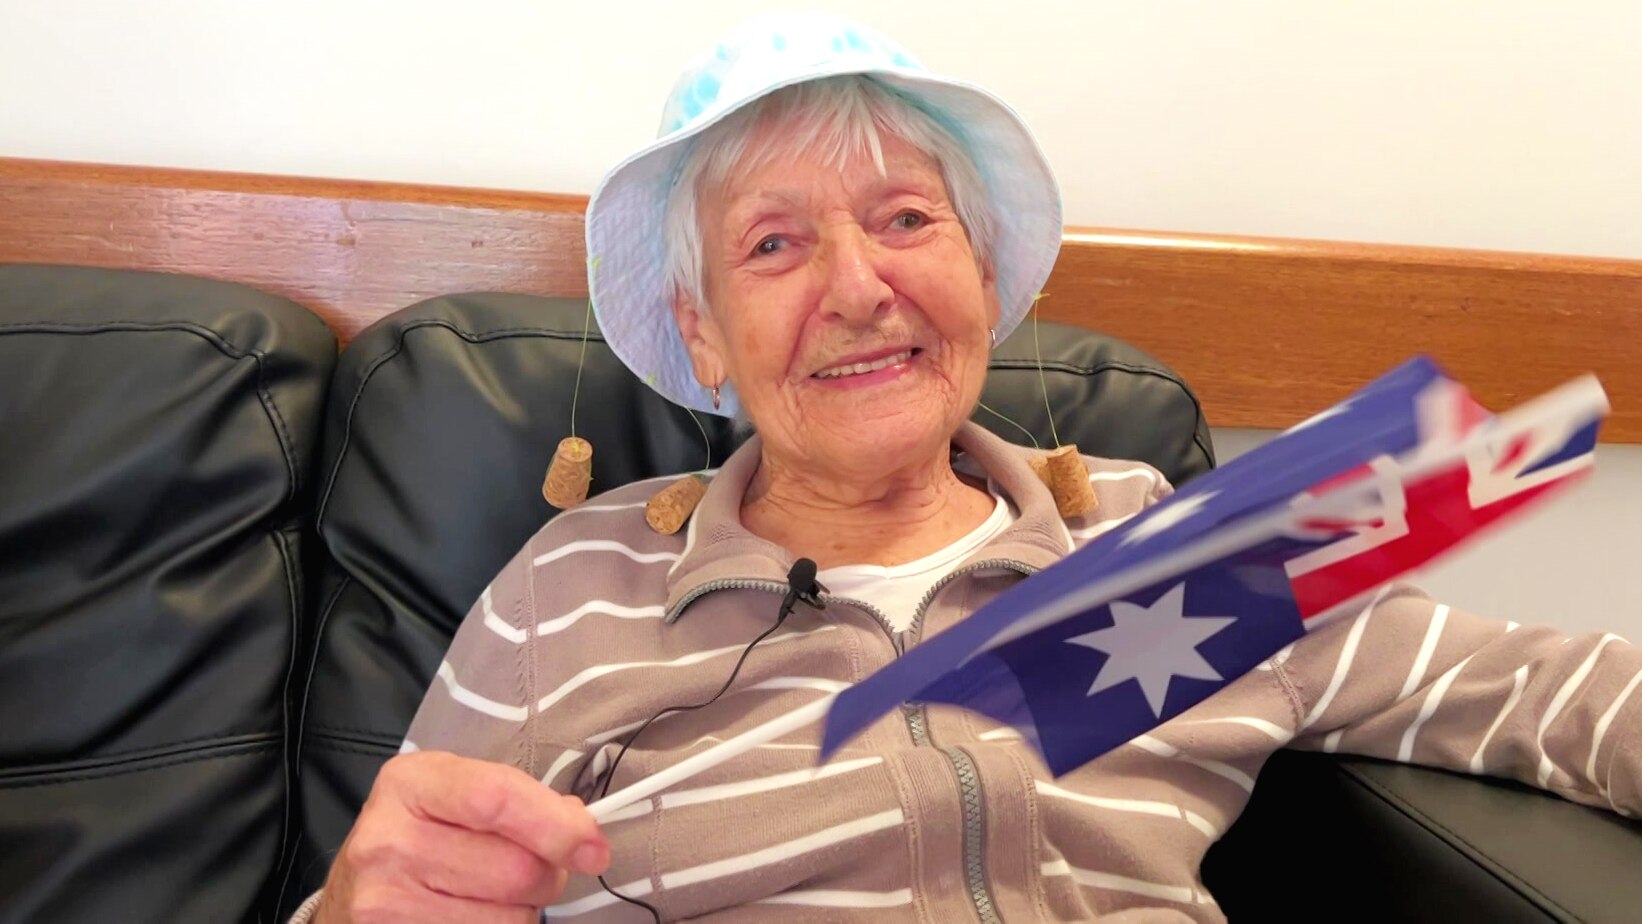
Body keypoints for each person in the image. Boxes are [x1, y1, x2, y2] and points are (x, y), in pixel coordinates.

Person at [299, 13, 1642, 923]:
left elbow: (1544, 694)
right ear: (701, 332)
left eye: (904, 220)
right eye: (773, 247)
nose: (859, 287)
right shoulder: (577, 584)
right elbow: (393, 891)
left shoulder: (1157, 543)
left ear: (980, 275)